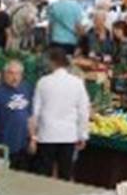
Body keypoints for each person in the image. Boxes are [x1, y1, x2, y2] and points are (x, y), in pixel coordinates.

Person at [30, 47, 90, 180]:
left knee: (44, 174)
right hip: (68, 135)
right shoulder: (77, 83)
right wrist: (83, 135)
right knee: (65, 174)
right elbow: (83, 111)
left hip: (47, 134)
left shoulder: (43, 82)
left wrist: (33, 136)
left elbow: (35, 112)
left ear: (52, 62)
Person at [0, 59, 34, 169]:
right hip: (4, 144)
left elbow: (30, 117)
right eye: (11, 73)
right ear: (4, 74)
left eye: (18, 73)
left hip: (23, 144)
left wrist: (33, 138)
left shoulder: (27, 89)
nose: (15, 77)